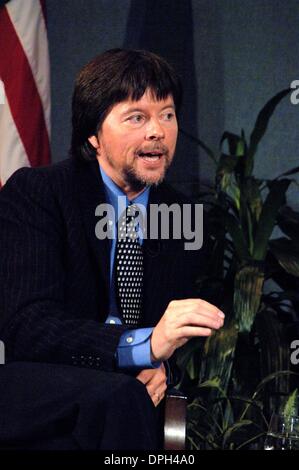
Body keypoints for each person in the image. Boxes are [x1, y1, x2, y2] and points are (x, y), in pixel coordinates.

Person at [0, 48, 224, 450]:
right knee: (121, 397)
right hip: (45, 395)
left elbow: (182, 338)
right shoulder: (40, 193)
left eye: (167, 115)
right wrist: (137, 350)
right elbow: (27, 325)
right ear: (93, 134)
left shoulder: (185, 216)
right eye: (137, 117)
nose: (157, 130)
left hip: (127, 403)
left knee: (126, 400)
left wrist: (160, 366)